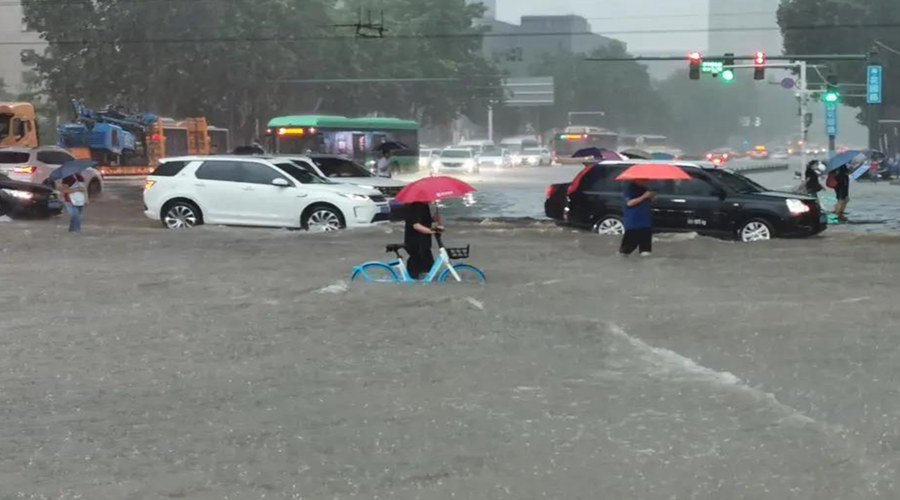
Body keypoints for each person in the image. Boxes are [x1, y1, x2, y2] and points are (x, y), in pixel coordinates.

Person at [404, 202, 443, 279]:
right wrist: (432, 231)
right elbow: (416, 225)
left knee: (430, 269)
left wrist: (437, 218)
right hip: (415, 243)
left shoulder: (424, 206)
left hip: (424, 243)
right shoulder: (416, 206)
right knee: (419, 268)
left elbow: (426, 220)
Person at [620, 179, 656, 256]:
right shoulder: (630, 189)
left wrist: (651, 196)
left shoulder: (645, 189)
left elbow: (649, 201)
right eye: (644, 180)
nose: (647, 181)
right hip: (633, 224)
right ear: (637, 179)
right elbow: (629, 203)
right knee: (625, 252)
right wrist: (644, 196)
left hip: (646, 224)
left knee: (646, 251)